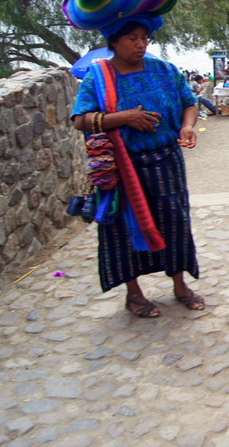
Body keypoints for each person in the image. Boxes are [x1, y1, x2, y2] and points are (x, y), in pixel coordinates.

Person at [70, 18, 203, 318]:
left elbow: (188, 102)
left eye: (144, 37)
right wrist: (124, 118)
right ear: (113, 41)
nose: (141, 43)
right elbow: (80, 119)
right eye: (132, 37)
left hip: (167, 162)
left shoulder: (165, 71)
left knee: (175, 223)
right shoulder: (99, 77)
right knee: (122, 230)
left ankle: (180, 285)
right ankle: (134, 294)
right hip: (123, 167)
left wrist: (187, 127)